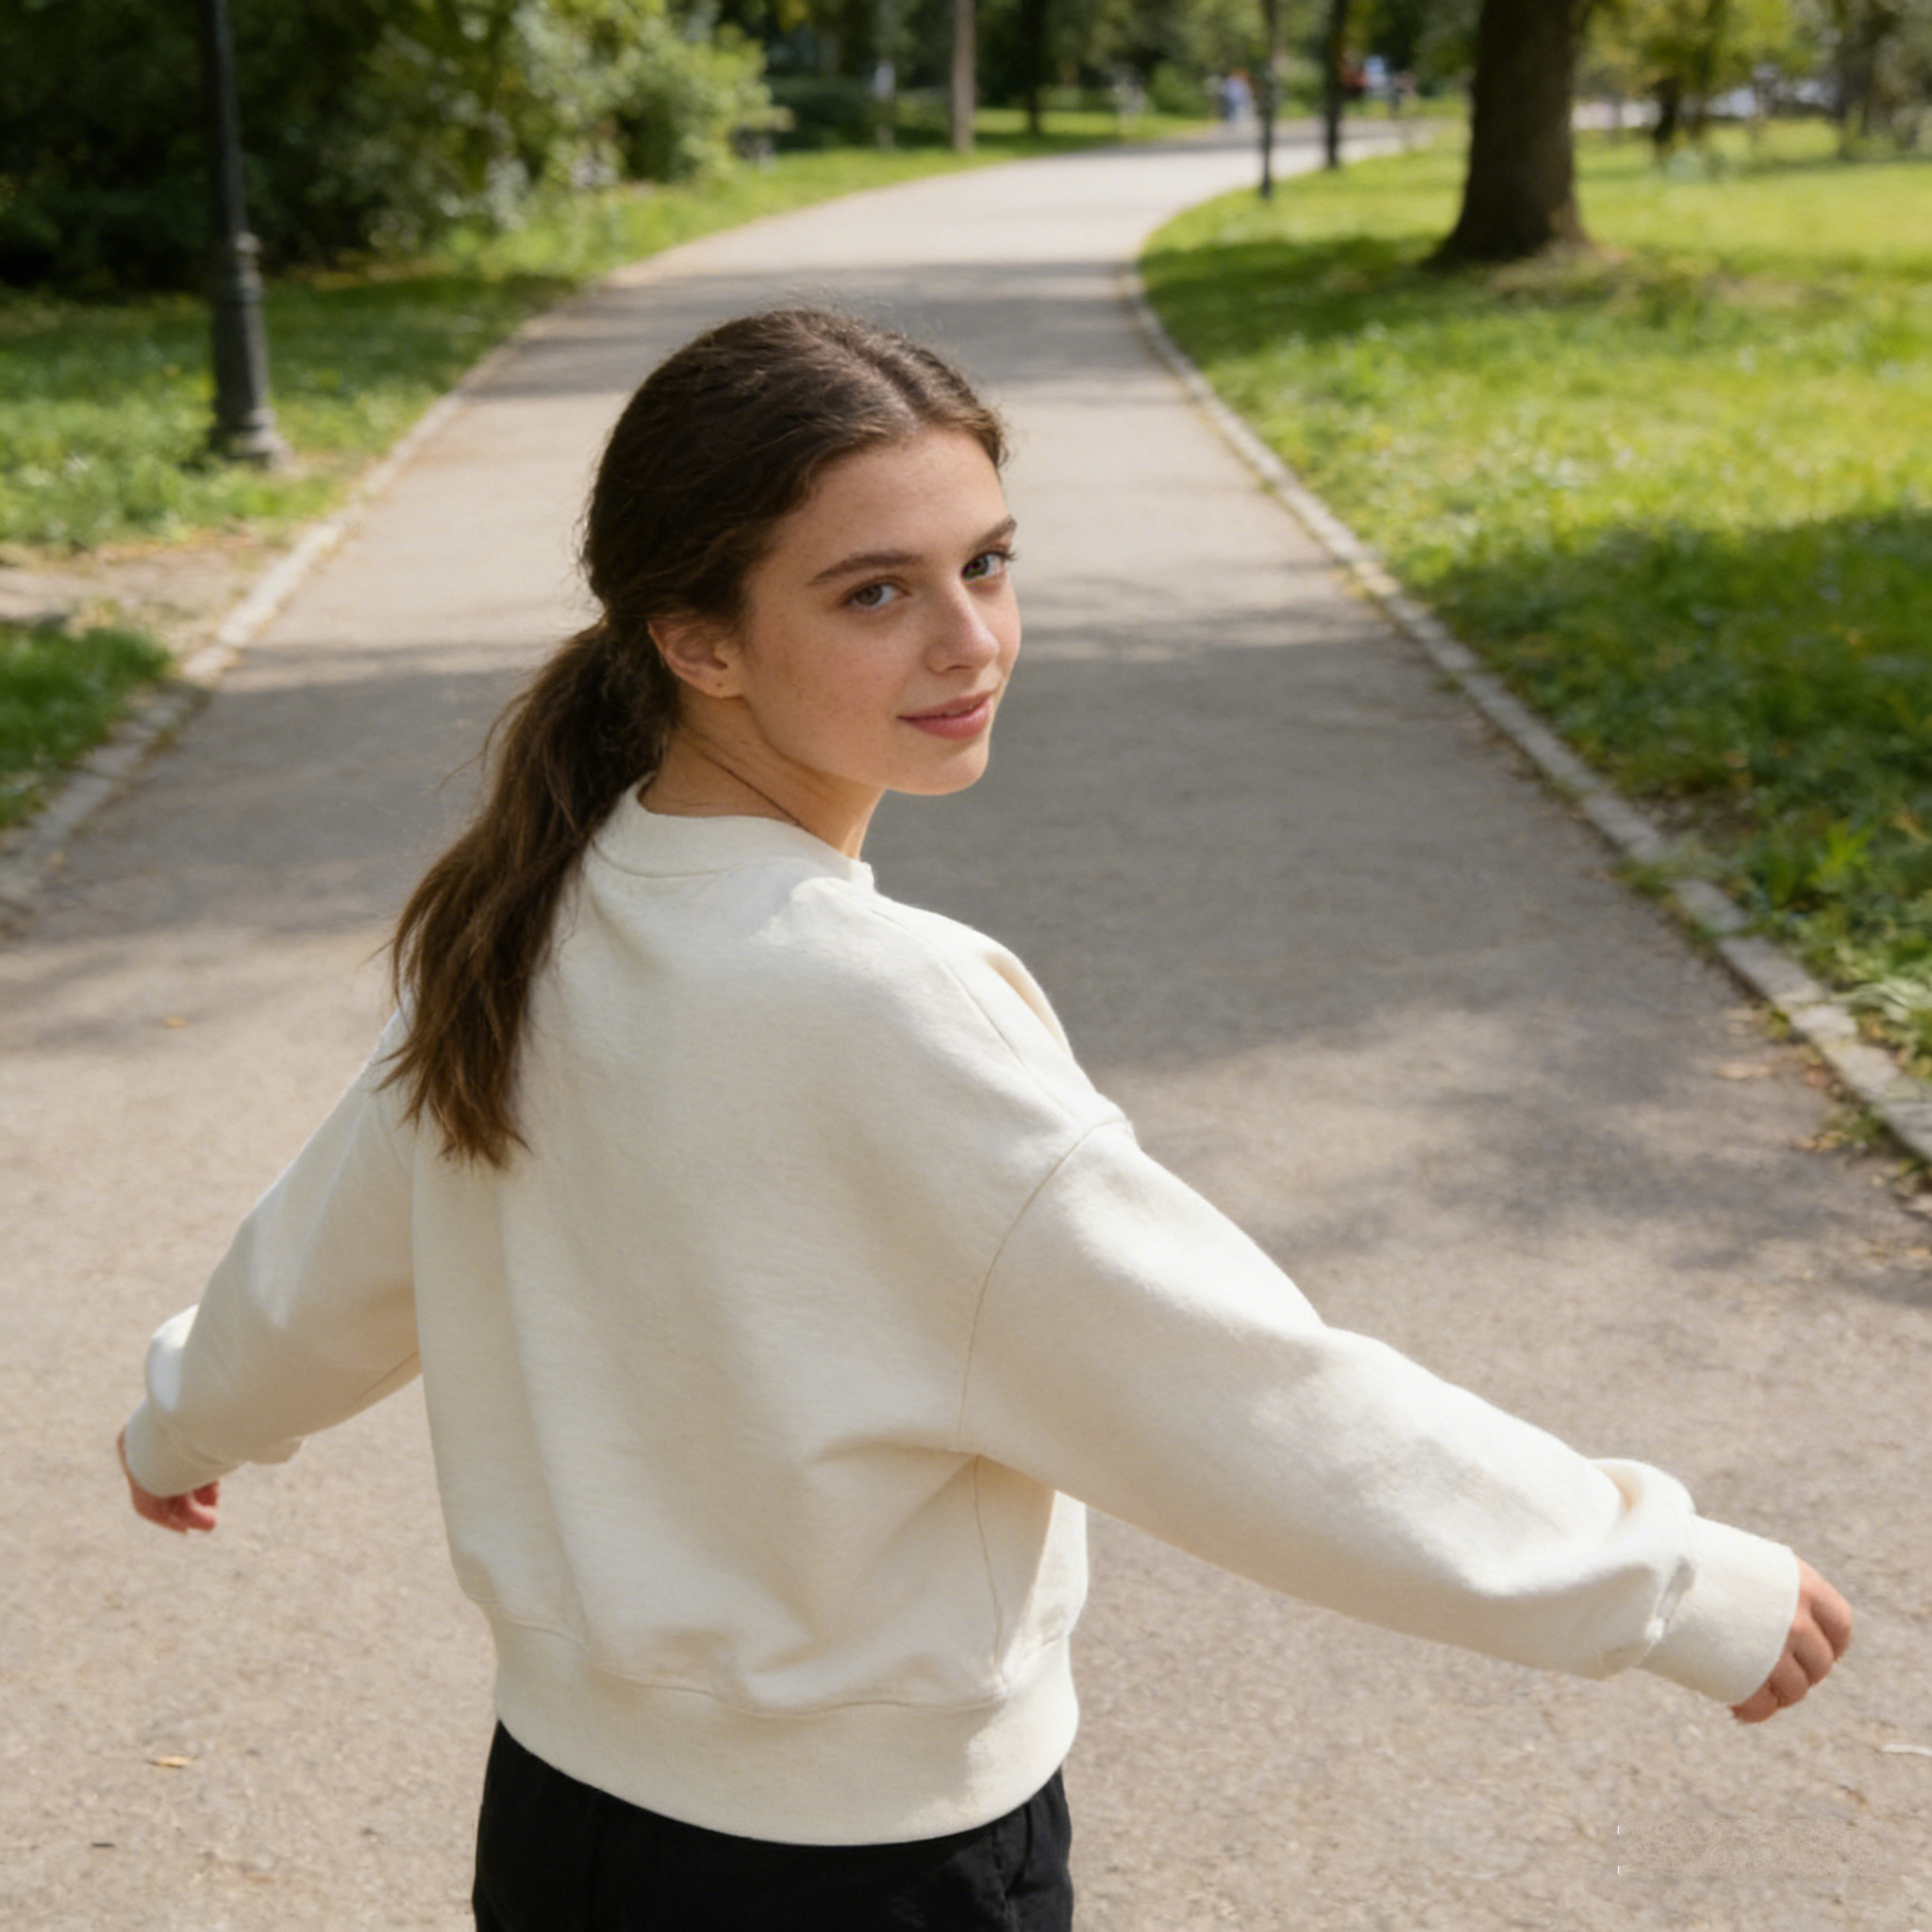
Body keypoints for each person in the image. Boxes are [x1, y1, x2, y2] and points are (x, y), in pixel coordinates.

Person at [117, 307, 1852, 1930]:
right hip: (867, 1870)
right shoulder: (885, 1004)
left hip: (567, 1823)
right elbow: (1240, 1396)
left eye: (989, 563)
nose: (972, 642)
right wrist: (1665, 1583)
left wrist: (187, 1422)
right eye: (877, 593)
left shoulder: (541, 908)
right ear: (695, 639)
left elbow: (330, 1261)